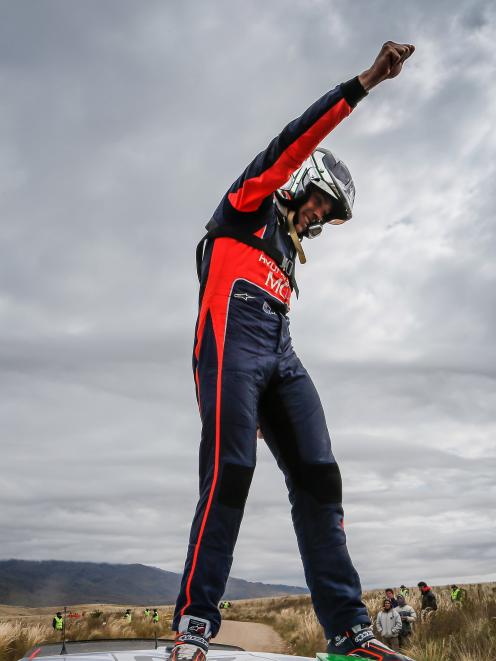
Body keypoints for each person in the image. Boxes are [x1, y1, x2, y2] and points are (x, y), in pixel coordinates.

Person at [171, 41, 415, 661]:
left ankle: (348, 634)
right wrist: (365, 83)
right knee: (232, 470)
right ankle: (194, 627)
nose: (318, 215)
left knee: (318, 477)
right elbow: (293, 139)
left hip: (280, 347)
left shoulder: (288, 252)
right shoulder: (247, 205)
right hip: (232, 336)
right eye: (317, 200)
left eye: (328, 214)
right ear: (302, 181)